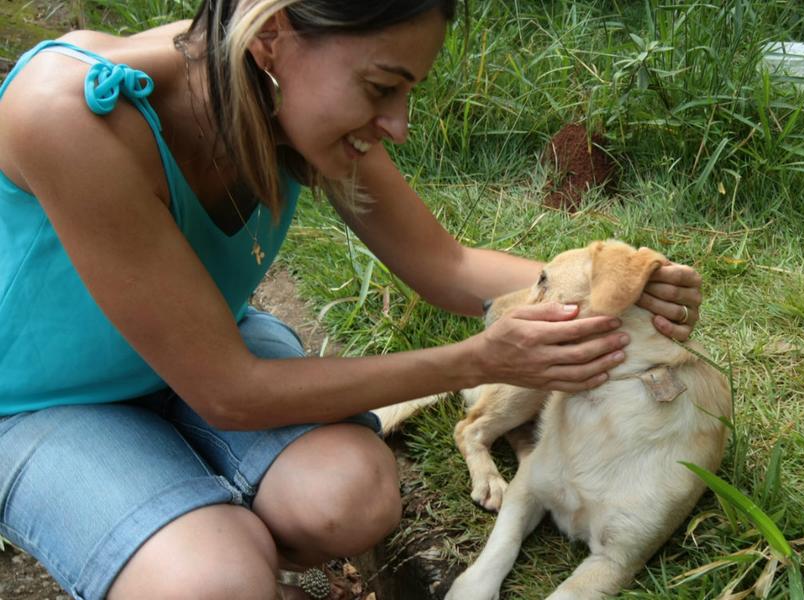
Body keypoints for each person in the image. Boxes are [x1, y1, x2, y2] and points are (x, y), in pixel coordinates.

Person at [0, 1, 704, 598]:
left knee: (351, 500)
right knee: (215, 580)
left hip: (202, 348)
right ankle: (191, 533)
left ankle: (180, 510)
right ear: (273, 34)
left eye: (406, 94)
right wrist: (475, 361)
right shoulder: (70, 116)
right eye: (380, 87)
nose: (396, 125)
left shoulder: (264, 81)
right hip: (38, 400)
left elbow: (447, 265)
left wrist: (615, 287)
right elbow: (230, 392)